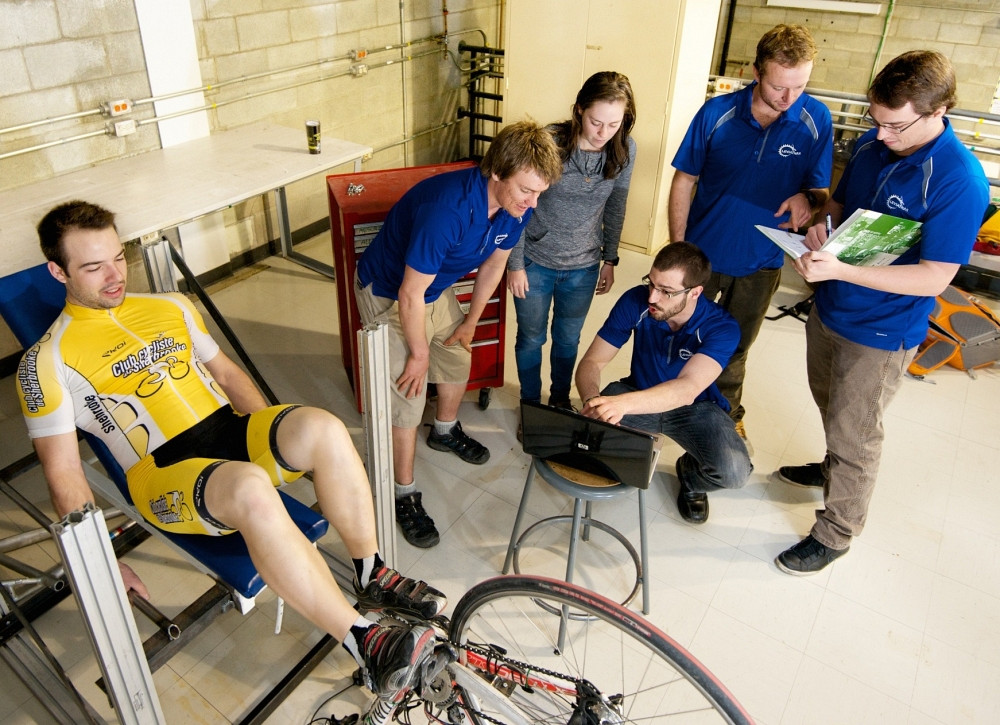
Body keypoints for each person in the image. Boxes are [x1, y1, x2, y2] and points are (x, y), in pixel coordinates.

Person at [17, 201, 449, 704]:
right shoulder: (45, 361)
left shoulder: (169, 306)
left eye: (118, 257)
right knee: (248, 486)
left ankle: (370, 570)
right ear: (57, 271)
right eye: (93, 268)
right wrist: (105, 563)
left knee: (322, 427)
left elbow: (226, 375)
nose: (114, 276)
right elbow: (63, 472)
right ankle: (363, 639)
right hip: (164, 471)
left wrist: (275, 437)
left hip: (228, 431)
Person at [775, 50, 990, 575]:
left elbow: (936, 276)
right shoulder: (873, 146)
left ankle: (837, 530)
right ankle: (831, 466)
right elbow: (842, 211)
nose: (882, 135)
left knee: (857, 431)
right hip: (831, 307)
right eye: (877, 121)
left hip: (883, 330)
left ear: (939, 109)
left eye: (896, 125)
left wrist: (842, 272)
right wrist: (823, 229)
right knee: (831, 404)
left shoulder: (958, 179)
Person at [355, 121, 562, 548]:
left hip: (432, 288)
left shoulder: (514, 209)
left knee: (455, 355)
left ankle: (444, 430)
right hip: (389, 294)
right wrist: (417, 354)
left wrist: (470, 321)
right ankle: (402, 493)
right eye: (527, 190)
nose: (533, 202)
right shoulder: (447, 208)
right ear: (498, 172)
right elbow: (409, 297)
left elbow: (494, 265)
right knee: (407, 398)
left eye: (540, 192)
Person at [668, 24, 833, 448]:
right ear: (756, 72)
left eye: (800, 87)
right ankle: (664, 409)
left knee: (735, 349)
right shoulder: (716, 114)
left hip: (762, 263)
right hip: (703, 257)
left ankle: (724, 420)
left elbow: (820, 193)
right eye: (779, 87)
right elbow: (684, 181)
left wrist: (807, 200)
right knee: (678, 336)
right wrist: (679, 250)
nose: (789, 99)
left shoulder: (816, 120)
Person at [575, 242, 753, 524]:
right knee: (591, 441)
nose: (653, 297)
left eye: (666, 291)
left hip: (696, 408)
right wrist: (593, 400)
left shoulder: (721, 327)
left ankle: (690, 478)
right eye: (651, 283)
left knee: (734, 472)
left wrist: (617, 405)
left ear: (695, 292)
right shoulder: (636, 301)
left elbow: (686, 389)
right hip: (639, 392)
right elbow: (592, 363)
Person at [507, 71, 637, 414]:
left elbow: (616, 206)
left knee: (567, 340)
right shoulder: (549, 142)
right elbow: (518, 206)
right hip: (536, 261)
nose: (603, 133)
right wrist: (515, 264)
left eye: (614, 125)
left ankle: (561, 401)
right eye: (596, 122)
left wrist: (610, 259)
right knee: (531, 338)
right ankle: (530, 405)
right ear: (579, 110)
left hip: (583, 265)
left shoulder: (624, 149)